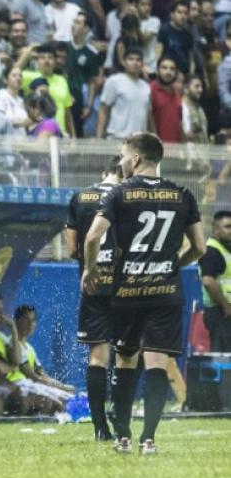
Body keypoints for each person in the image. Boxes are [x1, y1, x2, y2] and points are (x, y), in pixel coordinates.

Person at [83, 132, 205, 454]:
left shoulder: (120, 193)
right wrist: (174, 264)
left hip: (128, 292)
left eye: (124, 155)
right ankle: (148, 439)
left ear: (135, 158)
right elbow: (200, 248)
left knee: (125, 359)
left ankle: (122, 436)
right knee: (157, 363)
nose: (122, 161)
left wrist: (90, 269)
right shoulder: (182, 193)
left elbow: (93, 237)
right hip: (165, 291)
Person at [66, 155, 122, 441]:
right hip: (129, 286)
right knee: (129, 354)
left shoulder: (81, 196)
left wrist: (90, 265)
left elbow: (71, 248)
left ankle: (101, 428)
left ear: (104, 172)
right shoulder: (128, 196)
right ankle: (123, 421)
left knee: (98, 355)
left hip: (94, 285)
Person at [96, 47, 152, 139]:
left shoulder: (146, 87)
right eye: (131, 59)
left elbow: (148, 116)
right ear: (124, 62)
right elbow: (103, 110)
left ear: (142, 64)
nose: (135, 63)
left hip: (139, 142)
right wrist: (98, 137)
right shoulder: (114, 81)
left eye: (138, 60)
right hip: (117, 138)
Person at [200, 211, 231, 351]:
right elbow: (208, 281)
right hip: (219, 311)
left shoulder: (225, 248)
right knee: (222, 356)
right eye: (227, 227)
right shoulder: (212, 250)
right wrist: (225, 306)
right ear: (216, 229)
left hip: (225, 310)